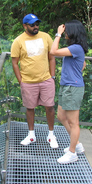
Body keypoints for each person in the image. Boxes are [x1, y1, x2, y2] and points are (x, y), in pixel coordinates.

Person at [11, 14, 58, 148]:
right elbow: (15, 63)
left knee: (49, 107)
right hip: (28, 82)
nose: (36, 26)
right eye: (32, 25)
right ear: (25, 26)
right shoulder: (18, 41)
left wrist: (52, 77)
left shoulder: (46, 37)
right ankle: (31, 135)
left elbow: (52, 58)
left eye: (37, 24)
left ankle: (51, 135)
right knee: (30, 108)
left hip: (46, 80)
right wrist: (21, 81)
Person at [50, 20, 88, 164]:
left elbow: (53, 52)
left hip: (73, 87)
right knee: (61, 116)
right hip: (67, 86)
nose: (65, 33)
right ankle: (76, 144)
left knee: (73, 122)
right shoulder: (75, 48)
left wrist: (57, 34)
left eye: (66, 31)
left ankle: (72, 153)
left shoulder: (76, 48)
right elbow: (82, 64)